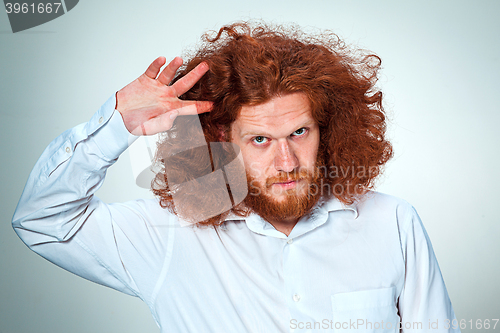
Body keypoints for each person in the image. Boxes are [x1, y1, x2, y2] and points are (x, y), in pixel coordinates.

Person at [12, 22, 460, 332]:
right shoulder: (169, 234)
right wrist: (115, 128)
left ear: (328, 129)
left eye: (299, 132)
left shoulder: (392, 223)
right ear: (222, 140)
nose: (286, 161)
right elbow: (43, 220)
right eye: (261, 140)